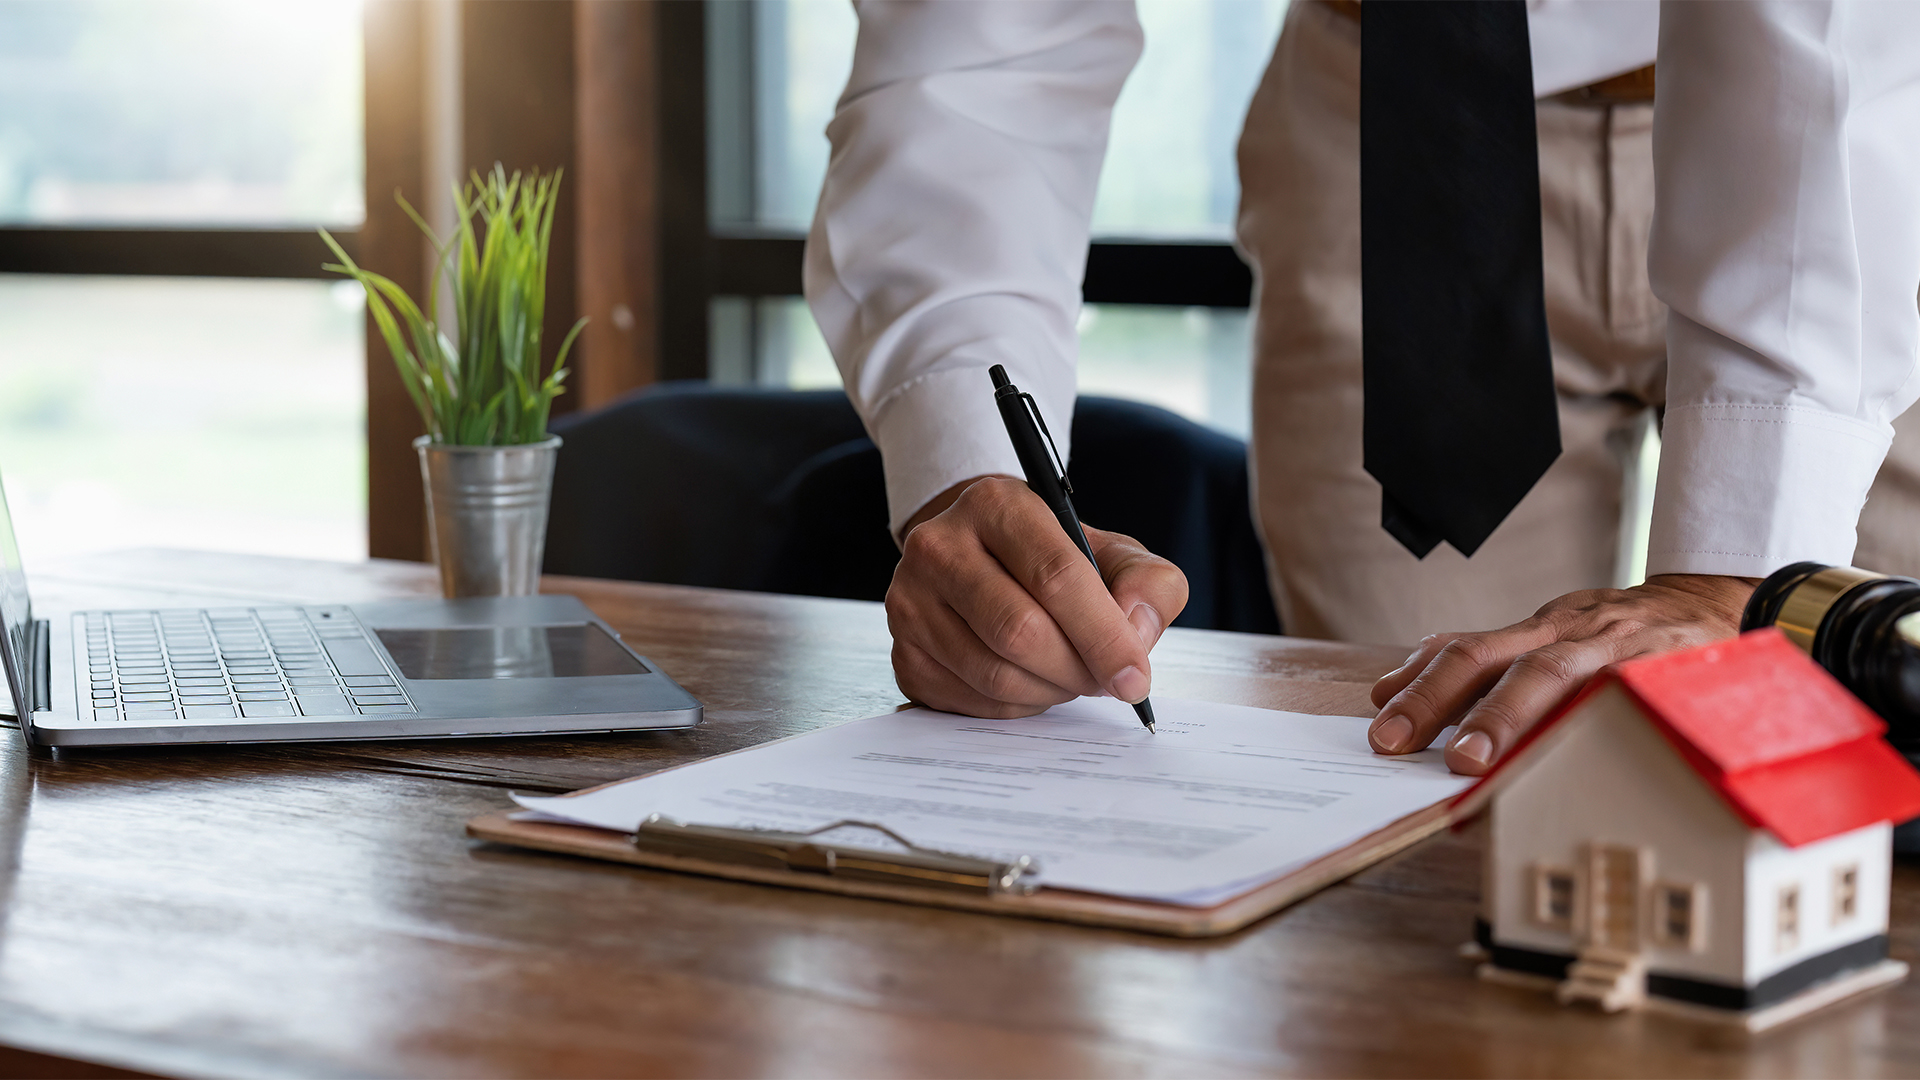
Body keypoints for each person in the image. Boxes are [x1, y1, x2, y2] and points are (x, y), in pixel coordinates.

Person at [803, 1, 1920, 774]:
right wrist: (969, 472)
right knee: (1413, 796)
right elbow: (985, 52)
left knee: (1866, 767)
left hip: (1868, 138)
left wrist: (1738, 569)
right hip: (1401, 128)